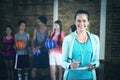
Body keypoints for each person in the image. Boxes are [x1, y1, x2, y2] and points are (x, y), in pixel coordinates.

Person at [61, 9, 100, 80]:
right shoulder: (68, 39)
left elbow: (97, 61)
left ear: (88, 22)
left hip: (89, 77)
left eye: (84, 21)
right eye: (78, 21)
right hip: (72, 77)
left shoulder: (95, 39)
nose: (81, 23)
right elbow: (63, 62)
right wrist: (70, 65)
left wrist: (93, 65)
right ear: (75, 22)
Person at [31, 15, 49, 80]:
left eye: (39, 22)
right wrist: (33, 47)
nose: (38, 23)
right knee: (34, 68)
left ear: (43, 22)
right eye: (37, 22)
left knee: (43, 69)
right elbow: (33, 40)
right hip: (37, 51)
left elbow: (46, 42)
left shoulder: (48, 31)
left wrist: (38, 47)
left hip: (44, 51)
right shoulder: (36, 30)